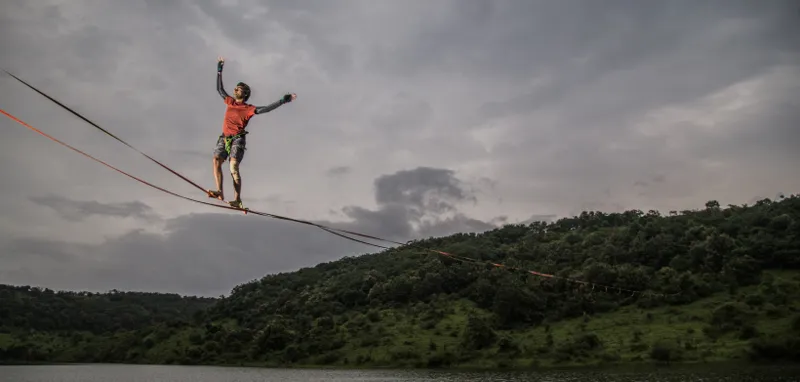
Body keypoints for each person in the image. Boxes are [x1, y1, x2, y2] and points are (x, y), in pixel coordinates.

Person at [207, 56, 297, 209]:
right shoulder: (230, 101)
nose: (235, 90)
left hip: (237, 139)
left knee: (233, 167)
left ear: (245, 93)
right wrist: (219, 70)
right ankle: (219, 192)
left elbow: (266, 109)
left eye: (238, 89)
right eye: (235, 88)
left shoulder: (248, 108)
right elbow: (219, 89)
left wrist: (283, 100)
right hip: (224, 137)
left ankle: (237, 200)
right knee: (216, 161)